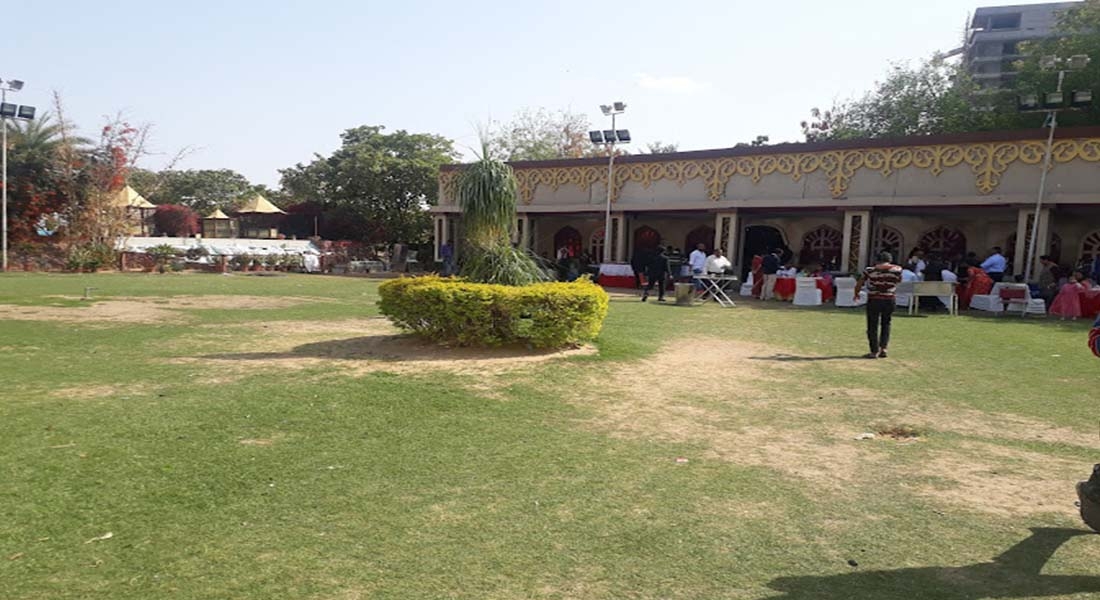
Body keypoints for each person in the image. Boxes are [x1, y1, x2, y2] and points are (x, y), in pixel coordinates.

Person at [854, 252, 903, 359]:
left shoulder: (870, 270)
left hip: (874, 299)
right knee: (886, 323)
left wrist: (856, 293)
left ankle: (874, 351)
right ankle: (883, 348)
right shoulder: (897, 270)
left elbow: (860, 282)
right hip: (889, 299)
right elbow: (899, 281)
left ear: (877, 260)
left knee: (872, 325)